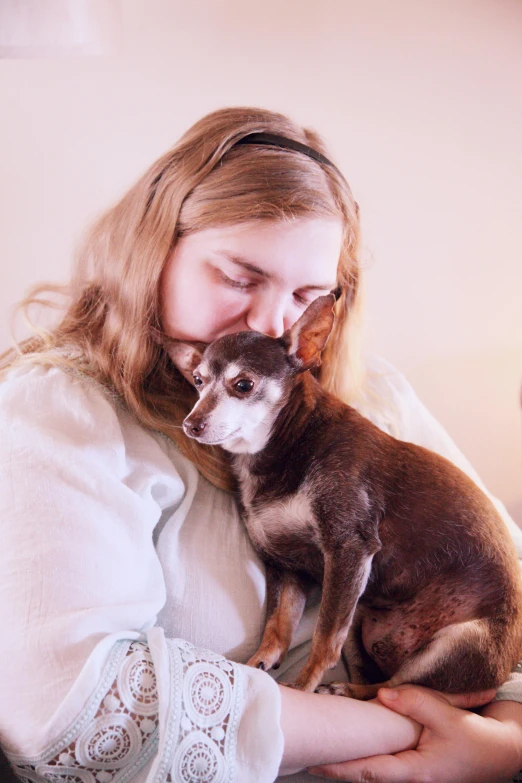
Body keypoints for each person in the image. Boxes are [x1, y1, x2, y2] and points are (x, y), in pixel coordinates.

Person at [1, 106, 521, 783]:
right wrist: (419, 732)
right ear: (152, 248)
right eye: (242, 277)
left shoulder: (373, 398)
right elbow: (75, 712)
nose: (273, 322)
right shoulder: (60, 411)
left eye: (308, 295)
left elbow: (505, 594)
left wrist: (505, 739)